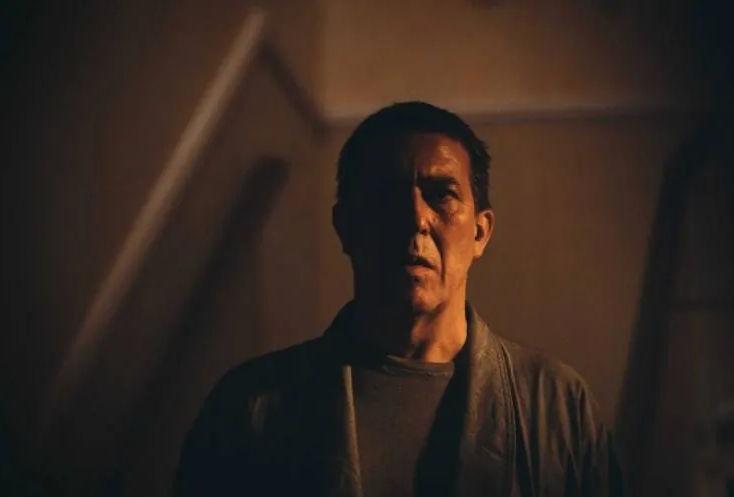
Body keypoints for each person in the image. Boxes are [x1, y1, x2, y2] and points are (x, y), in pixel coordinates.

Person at [173, 101, 629, 497]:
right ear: (345, 225)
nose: (416, 218)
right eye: (385, 194)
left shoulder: (557, 408)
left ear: (480, 232)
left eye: (442, 195)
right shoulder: (251, 408)